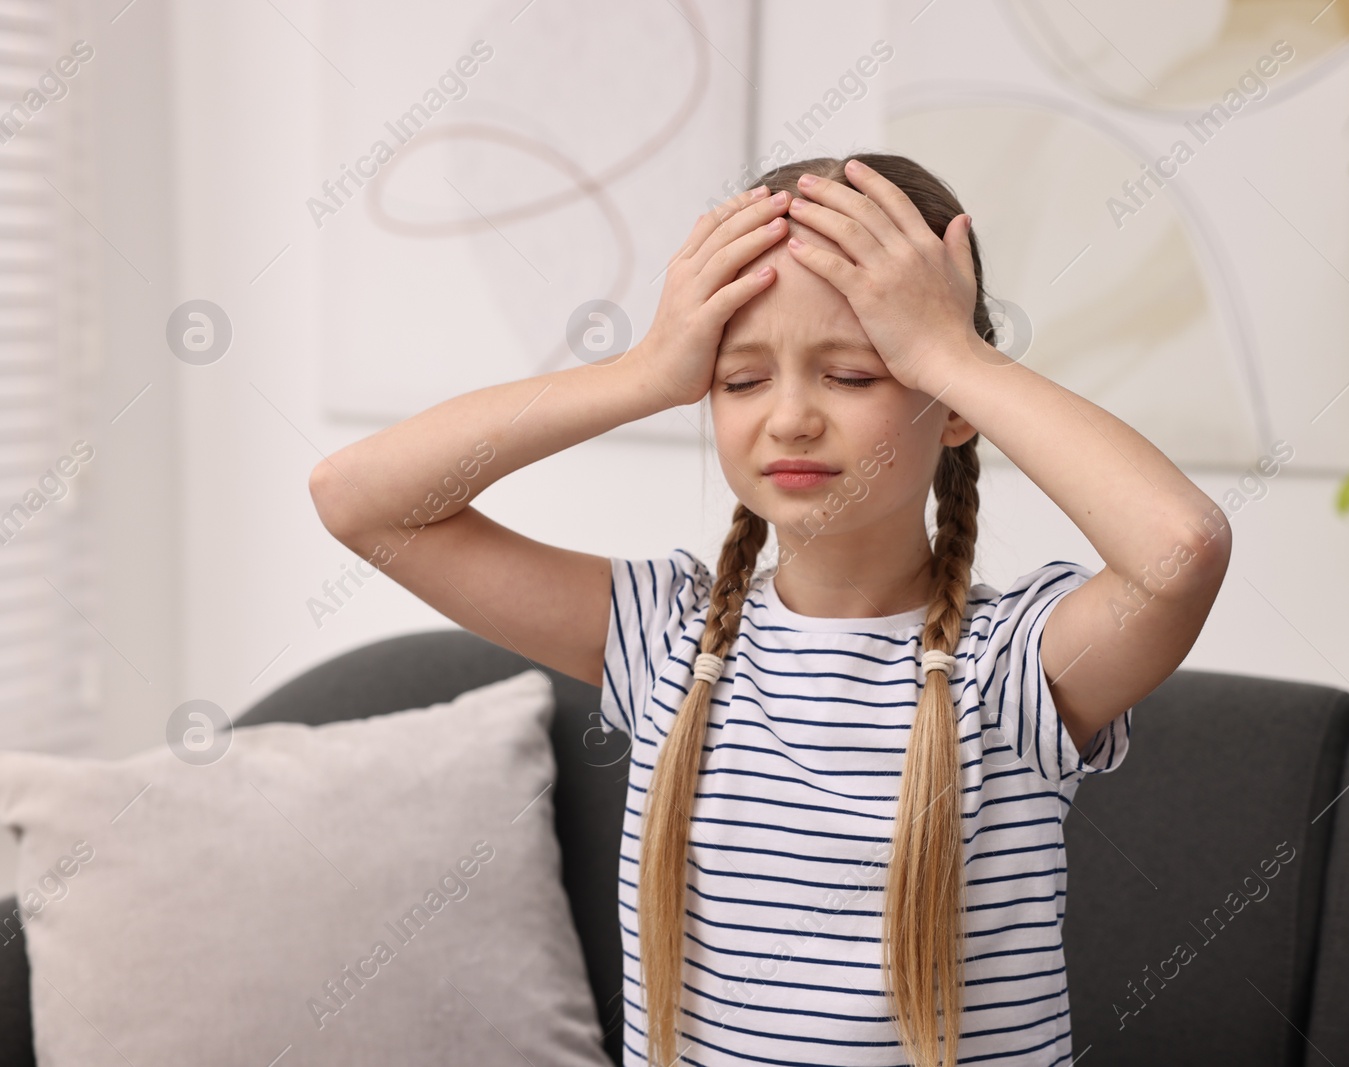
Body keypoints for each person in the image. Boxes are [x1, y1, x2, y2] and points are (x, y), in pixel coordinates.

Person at [309, 153, 1230, 1066]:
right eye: (742, 380)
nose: (790, 416)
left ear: (951, 406)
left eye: (856, 374)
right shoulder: (664, 640)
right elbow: (358, 499)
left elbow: (1179, 549)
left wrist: (951, 354)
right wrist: (642, 374)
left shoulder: (1017, 667)